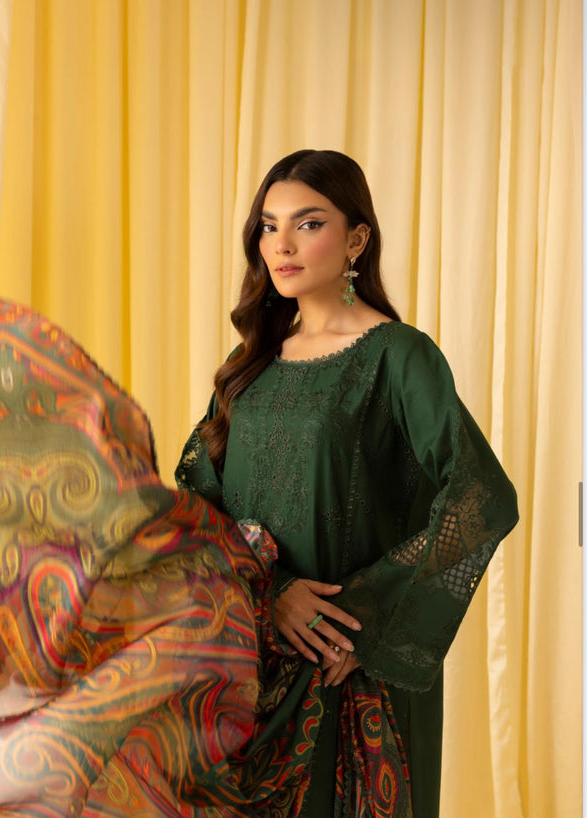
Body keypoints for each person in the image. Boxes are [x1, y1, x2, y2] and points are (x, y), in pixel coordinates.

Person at [175, 149, 519, 818]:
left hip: (345, 669)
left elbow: (481, 497)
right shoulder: (249, 364)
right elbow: (195, 501)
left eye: (308, 223)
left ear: (357, 239)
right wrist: (273, 592)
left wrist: (364, 622)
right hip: (249, 670)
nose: (282, 244)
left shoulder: (399, 356)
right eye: (269, 225)